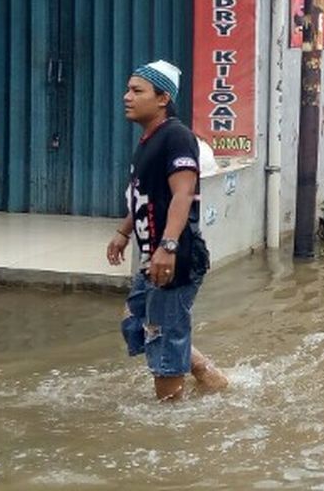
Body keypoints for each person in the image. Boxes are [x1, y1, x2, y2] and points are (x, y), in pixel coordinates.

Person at [106, 59, 229, 401]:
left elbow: (183, 193)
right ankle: (207, 375)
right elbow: (147, 197)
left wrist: (168, 246)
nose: (126, 97)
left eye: (137, 91)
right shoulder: (148, 140)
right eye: (128, 89)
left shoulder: (176, 136)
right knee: (136, 320)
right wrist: (124, 231)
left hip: (175, 256)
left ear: (162, 98)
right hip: (153, 256)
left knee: (162, 340)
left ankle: (170, 421)